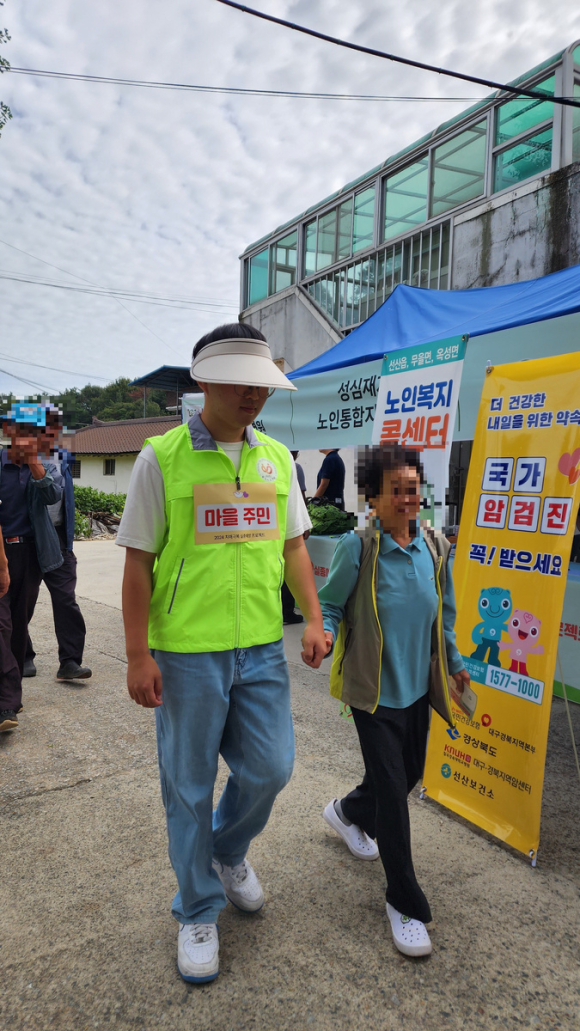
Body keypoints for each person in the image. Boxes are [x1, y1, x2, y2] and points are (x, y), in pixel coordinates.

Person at [116, 323, 327, 984]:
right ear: (203, 379)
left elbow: (294, 546)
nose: (251, 395)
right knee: (188, 786)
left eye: (260, 383)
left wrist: (315, 617)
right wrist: (135, 654)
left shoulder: (274, 459)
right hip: (184, 655)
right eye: (239, 381)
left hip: (261, 647)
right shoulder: (164, 458)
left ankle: (226, 848)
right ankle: (197, 908)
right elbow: (138, 563)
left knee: (272, 767)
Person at [319, 444, 469, 958]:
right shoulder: (358, 547)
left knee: (407, 777)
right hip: (373, 691)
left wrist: (454, 663)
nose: (407, 499)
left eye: (413, 489)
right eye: (395, 491)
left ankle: (346, 811)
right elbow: (330, 604)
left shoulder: (433, 547)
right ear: (373, 497)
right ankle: (403, 902)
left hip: (418, 689)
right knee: (394, 796)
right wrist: (323, 636)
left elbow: (443, 613)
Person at [0, 404, 64, 733]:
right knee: (2, 625)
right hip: (1, 551)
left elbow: (54, 495)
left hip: (30, 555)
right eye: (19, 432)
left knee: (18, 624)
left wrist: (34, 463)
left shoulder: (45, 466)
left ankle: (10, 697)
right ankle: (6, 702)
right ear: (9, 434)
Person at [24, 410, 91, 682]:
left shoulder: (62, 460)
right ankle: (23, 655)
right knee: (22, 600)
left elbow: (66, 502)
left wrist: (69, 540)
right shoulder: (14, 461)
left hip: (59, 538)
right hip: (28, 538)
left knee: (66, 600)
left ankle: (70, 662)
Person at [281, 451, 308, 625]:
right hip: (286, 525)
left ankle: (285, 610)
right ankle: (287, 611)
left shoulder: (282, 458)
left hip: (273, 526)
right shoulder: (290, 464)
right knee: (286, 566)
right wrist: (304, 522)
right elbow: (301, 496)